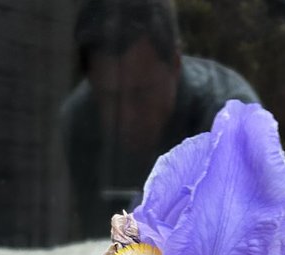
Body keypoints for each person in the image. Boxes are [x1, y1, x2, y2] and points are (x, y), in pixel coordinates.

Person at [60, 0, 260, 238]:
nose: (126, 118)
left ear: (175, 64)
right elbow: (96, 241)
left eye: (140, 95)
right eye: (108, 98)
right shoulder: (79, 118)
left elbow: (232, 254)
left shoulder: (231, 121)